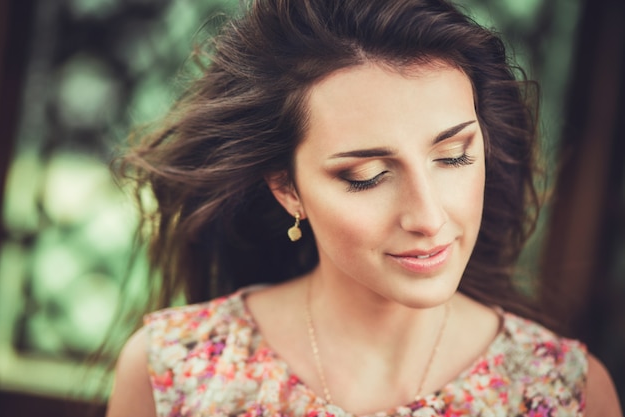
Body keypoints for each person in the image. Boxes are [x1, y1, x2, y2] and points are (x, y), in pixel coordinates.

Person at [105, 0, 623, 416]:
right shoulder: (176, 370)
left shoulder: (564, 394)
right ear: (287, 188)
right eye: (367, 177)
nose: (427, 217)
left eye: (453, 156)